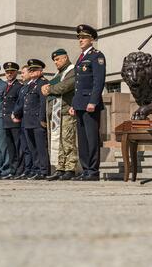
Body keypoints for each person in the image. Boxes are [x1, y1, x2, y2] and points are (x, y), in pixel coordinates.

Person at [69, 25, 106, 182]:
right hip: (79, 103)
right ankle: (85, 169)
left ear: (92, 39)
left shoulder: (96, 56)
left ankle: (93, 170)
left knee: (91, 138)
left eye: (83, 37)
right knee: (82, 139)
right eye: (79, 38)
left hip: (90, 103)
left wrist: (93, 101)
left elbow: (99, 81)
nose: (81, 40)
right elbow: (78, 84)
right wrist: (74, 104)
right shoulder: (81, 58)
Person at [42, 48, 78, 181]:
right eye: (54, 60)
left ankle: (70, 168)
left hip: (66, 110)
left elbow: (65, 86)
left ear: (65, 58)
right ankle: (60, 168)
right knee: (58, 142)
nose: (56, 62)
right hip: (57, 113)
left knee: (68, 140)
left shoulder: (72, 70)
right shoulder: (58, 73)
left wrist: (49, 89)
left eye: (57, 59)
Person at [14, 59, 50, 180]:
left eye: (35, 69)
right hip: (28, 121)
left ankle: (44, 170)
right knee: (32, 148)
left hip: (37, 121)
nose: (32, 71)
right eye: (31, 70)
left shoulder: (42, 83)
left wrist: (42, 119)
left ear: (41, 70)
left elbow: (43, 103)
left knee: (40, 147)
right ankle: (36, 169)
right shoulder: (30, 85)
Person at [1, 62, 24, 179]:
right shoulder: (6, 86)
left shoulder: (18, 86)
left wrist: (16, 115)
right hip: (6, 122)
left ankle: (20, 170)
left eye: (11, 72)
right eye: (7, 72)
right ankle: (13, 170)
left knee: (18, 146)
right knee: (10, 148)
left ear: (16, 72)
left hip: (15, 121)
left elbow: (19, 103)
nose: (9, 74)